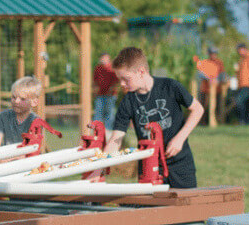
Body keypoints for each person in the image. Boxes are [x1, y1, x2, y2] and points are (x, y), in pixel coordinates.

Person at [102, 47, 204, 189]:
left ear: (141, 72)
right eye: (120, 79)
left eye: (126, 79)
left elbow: (198, 109)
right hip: (149, 169)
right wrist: (98, 167)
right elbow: (116, 139)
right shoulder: (127, 102)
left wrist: (180, 139)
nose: (122, 84)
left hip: (181, 165)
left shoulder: (170, 87)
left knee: (186, 208)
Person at [0, 76, 41, 146]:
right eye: (14, 97)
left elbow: (32, 147)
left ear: (34, 102)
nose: (16, 101)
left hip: (28, 156)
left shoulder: (35, 121)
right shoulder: (4, 116)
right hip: (7, 154)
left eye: (22, 99)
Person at [93, 52, 119, 131]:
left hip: (111, 95)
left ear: (108, 59)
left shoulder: (113, 68)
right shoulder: (98, 68)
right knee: (98, 113)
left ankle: (108, 131)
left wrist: (111, 89)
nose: (103, 60)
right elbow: (95, 81)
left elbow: (116, 81)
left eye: (105, 58)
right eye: (102, 58)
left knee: (110, 114)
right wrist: (94, 91)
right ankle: (97, 130)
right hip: (100, 95)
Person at [196, 47, 226, 116]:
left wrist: (217, 79)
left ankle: (217, 121)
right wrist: (208, 78)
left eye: (215, 54)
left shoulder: (219, 63)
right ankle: (202, 122)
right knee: (203, 106)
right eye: (212, 53)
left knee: (217, 106)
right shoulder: (204, 62)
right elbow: (200, 73)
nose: (214, 55)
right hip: (205, 89)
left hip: (216, 89)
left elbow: (222, 74)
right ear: (209, 54)